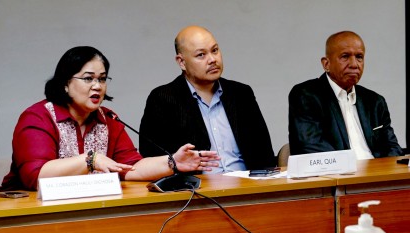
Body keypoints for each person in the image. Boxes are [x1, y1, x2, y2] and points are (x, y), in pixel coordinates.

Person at [0, 46, 219, 191]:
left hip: (89, 207)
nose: (97, 86)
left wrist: (172, 162)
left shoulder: (108, 120)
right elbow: (34, 176)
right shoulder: (38, 117)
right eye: (88, 79)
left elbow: (132, 168)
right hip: (28, 213)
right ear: (65, 84)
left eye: (102, 79)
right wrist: (90, 160)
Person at [139, 25, 276, 174]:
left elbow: (265, 154)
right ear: (181, 62)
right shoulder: (163, 99)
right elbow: (152, 159)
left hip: (248, 188)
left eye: (215, 50)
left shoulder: (241, 94)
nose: (212, 59)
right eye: (201, 55)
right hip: (197, 192)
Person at [289, 31, 403, 159]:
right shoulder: (306, 95)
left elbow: (392, 147)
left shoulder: (375, 101)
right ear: (326, 64)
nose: (354, 64)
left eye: (359, 57)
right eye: (345, 56)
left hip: (378, 174)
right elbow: (311, 147)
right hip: (337, 176)